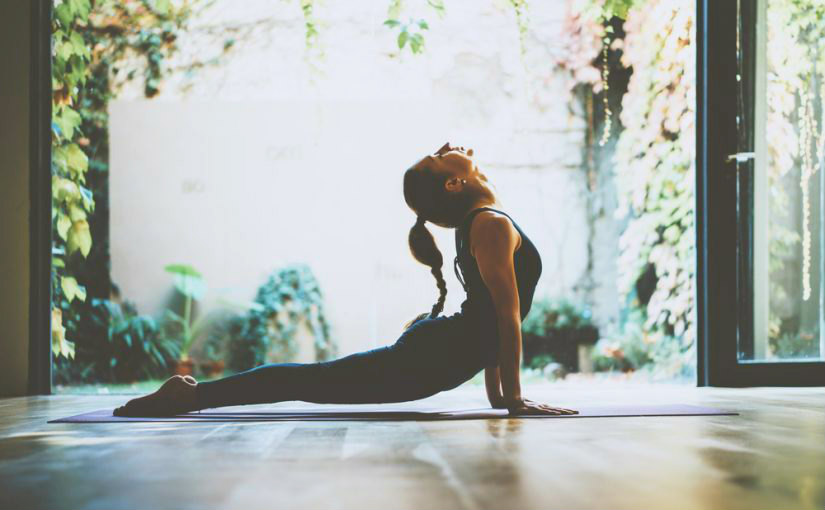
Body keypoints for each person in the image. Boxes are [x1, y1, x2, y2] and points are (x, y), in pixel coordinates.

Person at [113, 142, 578, 417]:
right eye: (441, 155)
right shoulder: (489, 224)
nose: (454, 148)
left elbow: (492, 320)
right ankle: (191, 394)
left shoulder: (481, 223)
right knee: (311, 381)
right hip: (431, 358)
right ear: (453, 184)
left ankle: (193, 395)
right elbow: (504, 315)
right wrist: (512, 398)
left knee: (314, 381)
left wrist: (501, 396)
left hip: (439, 356)